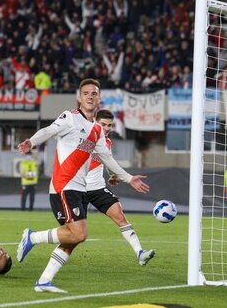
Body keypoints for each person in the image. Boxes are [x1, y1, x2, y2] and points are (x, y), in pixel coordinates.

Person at [16, 78, 150, 293]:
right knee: (78, 234)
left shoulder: (96, 131)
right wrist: (31, 142)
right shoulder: (70, 117)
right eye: (86, 93)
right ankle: (32, 237)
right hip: (64, 186)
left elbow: (107, 158)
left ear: (98, 99)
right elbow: (49, 131)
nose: (89, 96)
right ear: (79, 98)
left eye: (94, 93)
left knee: (73, 238)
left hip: (79, 189)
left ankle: (44, 281)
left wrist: (128, 177)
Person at [86, 109, 154, 266]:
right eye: (103, 124)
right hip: (77, 189)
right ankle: (33, 238)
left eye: (110, 125)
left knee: (120, 216)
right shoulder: (84, 138)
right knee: (73, 234)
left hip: (96, 188)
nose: (107, 128)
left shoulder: (107, 142)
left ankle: (140, 253)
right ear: (94, 122)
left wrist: (114, 175)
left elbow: (107, 161)